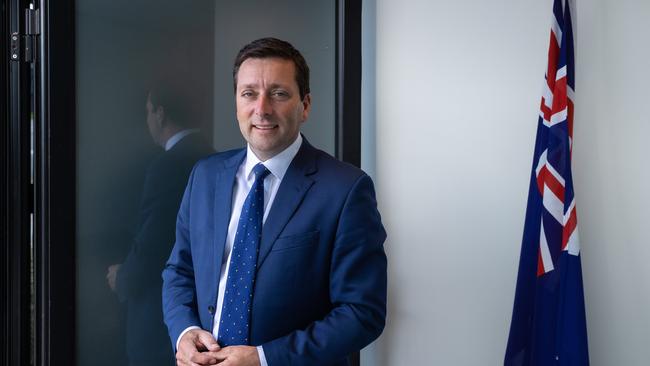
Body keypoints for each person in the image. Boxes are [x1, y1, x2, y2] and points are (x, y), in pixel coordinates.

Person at [162, 37, 387, 366]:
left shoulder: (346, 190)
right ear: (237, 103)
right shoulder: (205, 176)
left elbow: (362, 312)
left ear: (305, 105)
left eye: (279, 94)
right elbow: (179, 271)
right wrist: (185, 332)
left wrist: (264, 358)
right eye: (249, 93)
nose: (262, 108)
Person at [107, 85, 214, 366]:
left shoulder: (168, 165)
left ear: (160, 114)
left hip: (159, 314)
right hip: (201, 311)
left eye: (147, 112)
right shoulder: (213, 157)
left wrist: (124, 277)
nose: (147, 121)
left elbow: (156, 241)